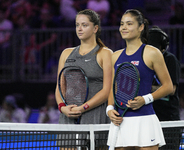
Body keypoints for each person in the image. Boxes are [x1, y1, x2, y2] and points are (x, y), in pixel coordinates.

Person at [106, 9, 173, 149]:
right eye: (122, 24)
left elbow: (168, 86)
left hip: (145, 120)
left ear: (141, 27)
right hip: (120, 121)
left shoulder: (152, 53)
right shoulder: (115, 56)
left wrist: (145, 99)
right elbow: (114, 88)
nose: (124, 27)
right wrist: (110, 109)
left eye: (129, 24)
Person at [55, 9, 113, 148]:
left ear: (95, 28)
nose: (79, 29)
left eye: (84, 25)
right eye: (77, 25)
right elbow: (59, 87)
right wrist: (63, 108)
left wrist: (83, 108)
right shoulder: (66, 54)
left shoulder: (105, 53)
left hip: (95, 117)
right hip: (69, 116)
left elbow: (107, 90)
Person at [148, 26, 181, 150]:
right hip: (150, 119)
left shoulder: (170, 59)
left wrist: (146, 89)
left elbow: (171, 89)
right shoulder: (144, 60)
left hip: (168, 119)